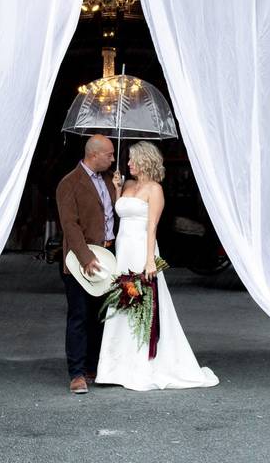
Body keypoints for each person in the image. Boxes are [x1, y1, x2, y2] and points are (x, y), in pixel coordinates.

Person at [96, 141, 219, 391]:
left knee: (144, 304)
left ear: (143, 161)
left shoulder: (155, 190)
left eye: (132, 159)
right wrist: (117, 189)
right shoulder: (128, 185)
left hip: (142, 248)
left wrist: (150, 258)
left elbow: (151, 226)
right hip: (123, 250)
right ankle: (116, 366)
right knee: (122, 303)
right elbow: (120, 213)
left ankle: (143, 362)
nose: (128, 163)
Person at [55, 134, 119, 394]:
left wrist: (118, 190)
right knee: (79, 316)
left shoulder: (108, 180)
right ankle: (77, 373)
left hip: (108, 257)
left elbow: (114, 214)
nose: (113, 159)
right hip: (81, 261)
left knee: (101, 316)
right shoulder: (69, 183)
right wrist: (85, 258)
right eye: (110, 155)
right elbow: (69, 225)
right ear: (94, 155)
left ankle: (95, 366)